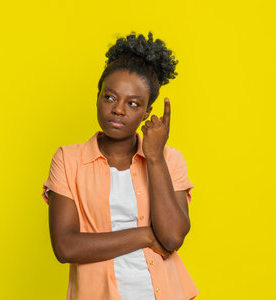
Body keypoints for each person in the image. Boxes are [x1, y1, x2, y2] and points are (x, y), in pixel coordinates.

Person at [41, 32, 200, 300]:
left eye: (133, 103)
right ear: (98, 97)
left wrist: (155, 157)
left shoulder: (170, 159)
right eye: (110, 98)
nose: (119, 110)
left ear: (147, 111)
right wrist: (147, 236)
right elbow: (66, 247)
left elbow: (172, 239)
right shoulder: (68, 160)